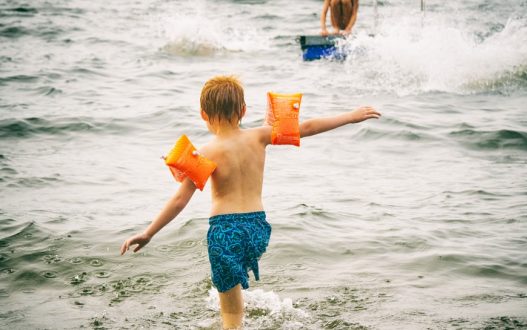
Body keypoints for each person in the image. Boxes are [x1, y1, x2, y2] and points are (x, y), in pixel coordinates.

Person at [120, 75, 381, 329]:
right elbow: (308, 127)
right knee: (235, 298)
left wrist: (148, 232)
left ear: (203, 114)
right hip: (257, 229)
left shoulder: (206, 153)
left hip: (225, 231)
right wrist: (351, 116)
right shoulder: (259, 136)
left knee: (231, 316)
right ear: (243, 110)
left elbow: (179, 200)